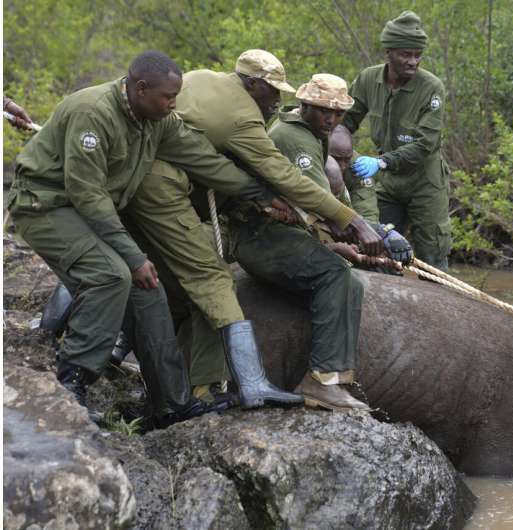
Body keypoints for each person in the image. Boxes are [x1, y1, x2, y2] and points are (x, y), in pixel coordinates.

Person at [124, 52, 384, 411]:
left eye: (338, 113)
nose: (278, 99)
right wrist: (351, 223)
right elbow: (289, 181)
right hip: (231, 218)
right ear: (253, 85)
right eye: (273, 91)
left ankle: (201, 385)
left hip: (218, 206)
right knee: (219, 281)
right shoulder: (257, 123)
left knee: (205, 281)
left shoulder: (203, 78)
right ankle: (319, 379)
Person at [7, 51, 248, 428]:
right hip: (45, 204)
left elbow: (203, 159)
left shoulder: (156, 119)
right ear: (139, 88)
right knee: (111, 275)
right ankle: (72, 380)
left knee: (148, 291)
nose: (173, 104)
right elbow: (88, 196)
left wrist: (260, 193)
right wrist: (134, 256)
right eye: (168, 96)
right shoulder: (94, 112)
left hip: (88, 212)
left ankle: (172, 404)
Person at [343, 10, 452, 270]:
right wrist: (339, 157)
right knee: (378, 244)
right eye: (406, 54)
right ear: (388, 52)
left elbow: (425, 144)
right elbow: (345, 122)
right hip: (389, 185)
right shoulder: (369, 79)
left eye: (418, 55)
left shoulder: (431, 88)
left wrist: (380, 163)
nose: (413, 61)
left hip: (425, 183)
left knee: (433, 254)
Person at [328, 125, 380, 224]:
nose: (343, 166)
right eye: (337, 159)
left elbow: (367, 208)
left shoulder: (359, 166)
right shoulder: (312, 160)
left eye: (347, 159)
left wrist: (368, 228)